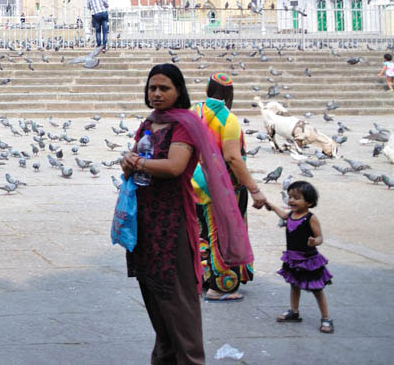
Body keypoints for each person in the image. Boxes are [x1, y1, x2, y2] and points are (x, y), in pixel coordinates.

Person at [120, 64, 252, 365]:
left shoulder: (183, 125)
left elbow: (175, 166)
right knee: (153, 295)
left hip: (172, 221)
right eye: (152, 87)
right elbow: (141, 159)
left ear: (179, 91)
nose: (156, 93)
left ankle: (191, 359)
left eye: (164, 88)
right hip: (145, 221)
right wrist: (129, 161)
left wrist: (136, 161)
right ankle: (165, 356)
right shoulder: (150, 123)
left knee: (178, 299)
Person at [192, 73, 266, 301]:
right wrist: (254, 189)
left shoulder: (195, 112)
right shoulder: (228, 119)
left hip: (194, 182)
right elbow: (233, 158)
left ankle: (202, 276)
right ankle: (220, 286)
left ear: (207, 89)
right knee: (222, 235)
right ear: (230, 94)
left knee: (202, 232)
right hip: (219, 186)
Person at [263, 181, 333, 333]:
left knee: (317, 290)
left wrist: (315, 241)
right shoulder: (292, 215)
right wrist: (271, 206)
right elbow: (283, 215)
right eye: (290, 197)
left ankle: (326, 318)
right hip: (293, 258)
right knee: (294, 285)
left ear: (309, 202)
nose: (291, 200)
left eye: (296, 197)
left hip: (309, 260)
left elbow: (320, 237)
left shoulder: (310, 218)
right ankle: (294, 312)